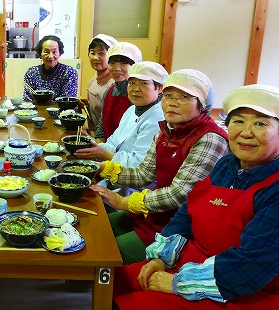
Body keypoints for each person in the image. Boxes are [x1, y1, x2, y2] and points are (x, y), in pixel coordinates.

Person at [113, 84, 279, 310]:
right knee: (108, 282)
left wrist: (177, 282)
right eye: (238, 121)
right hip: (188, 266)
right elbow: (187, 214)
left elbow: (251, 268)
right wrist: (160, 257)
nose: (246, 132)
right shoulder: (228, 164)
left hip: (240, 295)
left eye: (260, 123)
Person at [90, 69, 229, 264]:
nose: (172, 102)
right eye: (169, 96)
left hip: (178, 228)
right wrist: (103, 168)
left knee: (104, 250)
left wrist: (122, 203)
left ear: (202, 104)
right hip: (154, 215)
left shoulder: (209, 138)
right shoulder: (167, 130)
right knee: (95, 225)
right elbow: (144, 174)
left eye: (184, 97)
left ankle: (103, 288)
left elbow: (178, 194)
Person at [75, 61, 168, 170]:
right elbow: (113, 143)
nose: (135, 89)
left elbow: (138, 165)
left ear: (160, 88)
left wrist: (105, 154)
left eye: (143, 83)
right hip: (114, 172)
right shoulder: (132, 109)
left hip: (134, 184)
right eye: (132, 83)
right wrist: (92, 144)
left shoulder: (158, 120)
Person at [95, 41, 142, 140]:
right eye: (112, 63)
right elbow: (102, 123)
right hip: (107, 149)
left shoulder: (139, 96)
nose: (117, 68)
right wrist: (98, 143)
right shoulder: (109, 91)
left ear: (135, 66)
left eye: (124, 63)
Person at [22, 35, 78, 101]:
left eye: (54, 52)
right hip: (35, 111)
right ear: (40, 54)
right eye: (46, 52)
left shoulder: (69, 72)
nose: (50, 56)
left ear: (60, 53)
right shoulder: (31, 72)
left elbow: (67, 101)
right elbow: (27, 101)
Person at [85, 34, 118, 131]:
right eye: (93, 53)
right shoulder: (93, 80)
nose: (95, 57)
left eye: (101, 53)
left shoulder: (115, 85)